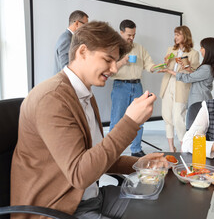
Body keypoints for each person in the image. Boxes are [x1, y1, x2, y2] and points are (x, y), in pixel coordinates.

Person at [11, 21, 167, 218]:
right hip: (58, 209)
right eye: (108, 60)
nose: (114, 69)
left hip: (91, 199)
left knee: (160, 206)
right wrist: (130, 122)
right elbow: (80, 174)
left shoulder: (84, 94)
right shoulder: (51, 98)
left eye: (115, 61)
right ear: (82, 51)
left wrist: (138, 164)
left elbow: (95, 158)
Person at [110, 19, 157, 157]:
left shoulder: (139, 48)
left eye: (134, 35)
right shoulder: (113, 48)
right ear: (121, 32)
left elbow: (149, 65)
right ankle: (112, 151)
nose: (132, 38)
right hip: (120, 86)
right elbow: (110, 70)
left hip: (137, 86)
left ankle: (136, 149)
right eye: (129, 35)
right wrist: (123, 61)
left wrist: (158, 68)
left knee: (139, 119)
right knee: (117, 119)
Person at [159, 26, 200, 152]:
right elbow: (167, 66)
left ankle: (183, 146)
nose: (175, 37)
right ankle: (171, 148)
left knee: (178, 118)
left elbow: (194, 73)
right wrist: (165, 62)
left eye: (178, 34)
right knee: (167, 116)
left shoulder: (194, 53)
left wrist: (185, 66)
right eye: (175, 34)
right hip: (168, 83)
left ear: (185, 36)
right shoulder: (170, 49)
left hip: (182, 86)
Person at [163, 37, 214, 108]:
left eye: (202, 47)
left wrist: (169, 71)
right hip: (200, 100)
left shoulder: (206, 68)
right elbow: (198, 78)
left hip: (199, 101)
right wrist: (189, 70)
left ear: (208, 50)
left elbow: (188, 78)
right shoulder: (208, 67)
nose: (200, 50)